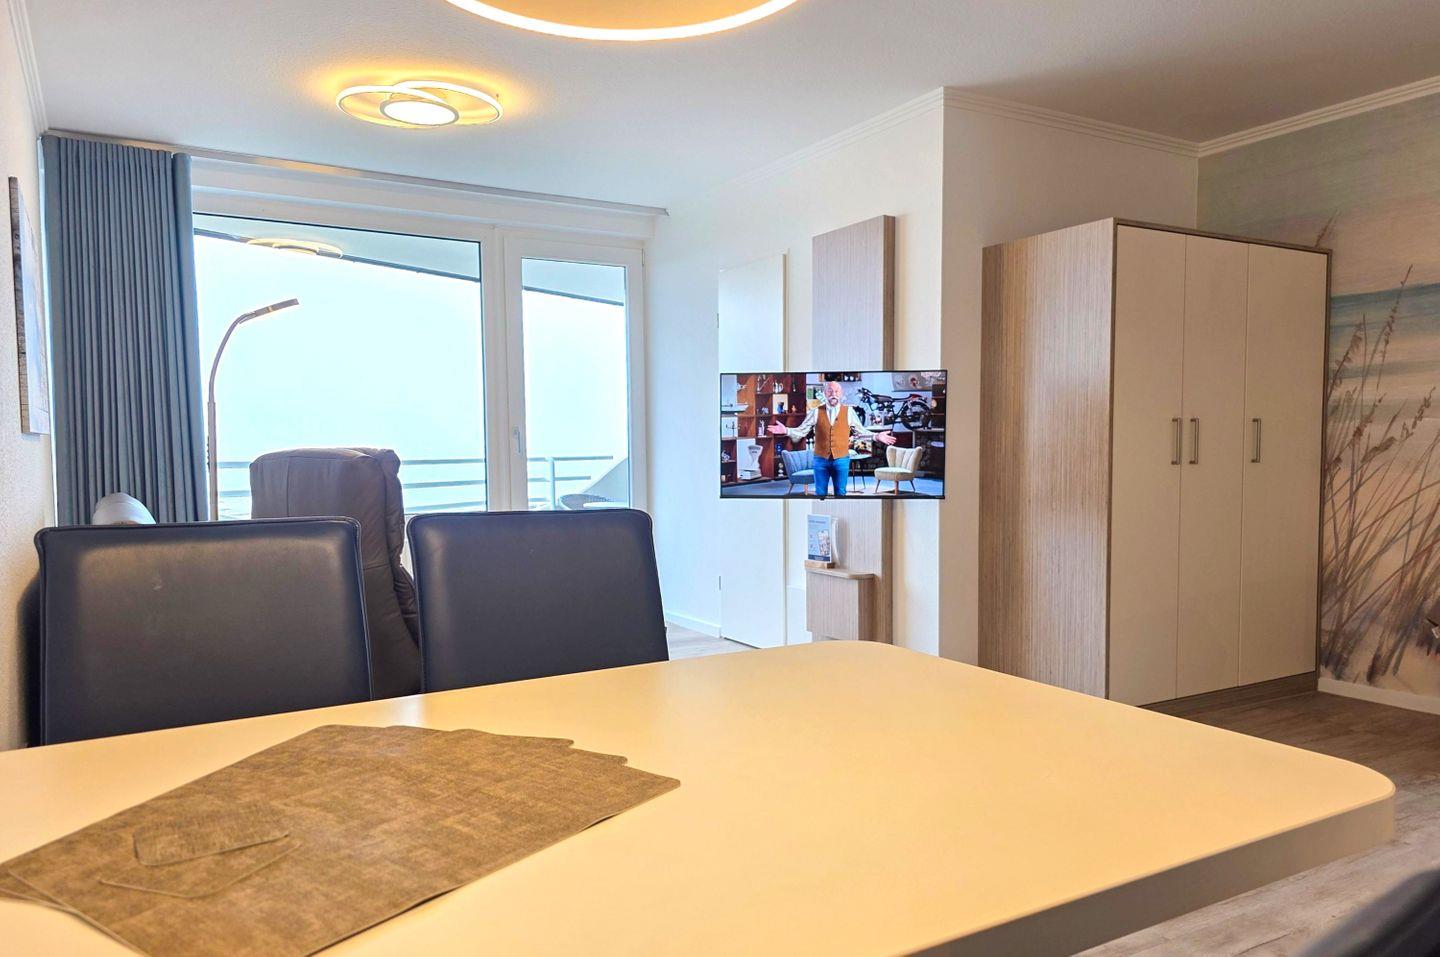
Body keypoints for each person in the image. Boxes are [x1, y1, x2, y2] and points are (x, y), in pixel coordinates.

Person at [768, 380, 896, 497]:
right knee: (820, 494)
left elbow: (860, 432)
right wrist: (786, 430)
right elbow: (802, 431)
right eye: (830, 391)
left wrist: (876, 436)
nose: (833, 394)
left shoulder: (849, 411)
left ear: (841, 393)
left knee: (840, 493)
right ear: (825, 393)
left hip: (841, 460)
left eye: (836, 391)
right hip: (820, 460)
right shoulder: (816, 411)